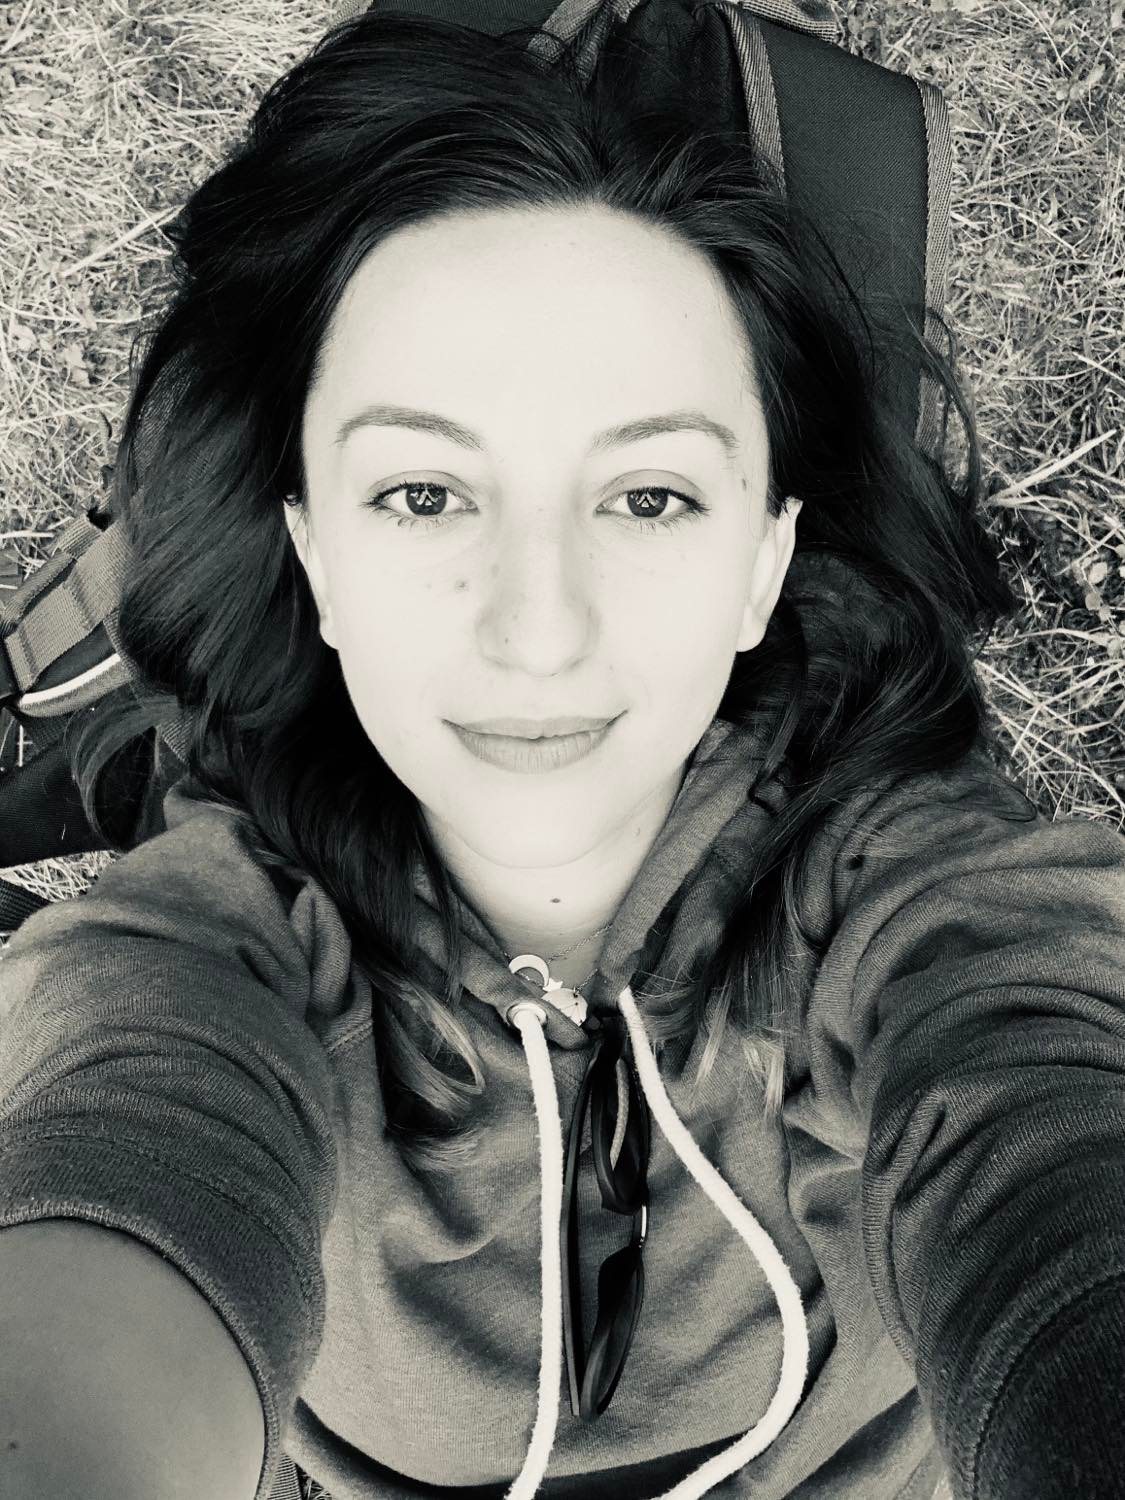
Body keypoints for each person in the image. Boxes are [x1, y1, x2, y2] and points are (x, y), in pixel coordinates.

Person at [2, 7, 1123, 1500]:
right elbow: (128, 1138)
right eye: (422, 495)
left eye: (649, 498)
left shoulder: (931, 911)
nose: (538, 633)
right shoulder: (205, 960)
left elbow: (1046, 1109)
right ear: (314, 556)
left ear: (763, 563)